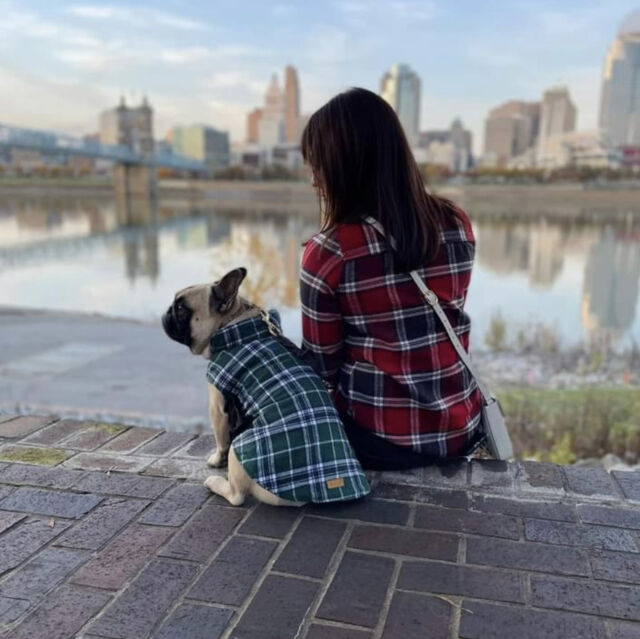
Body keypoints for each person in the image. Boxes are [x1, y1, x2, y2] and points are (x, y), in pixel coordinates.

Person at [299, 87, 483, 471]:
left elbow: (321, 367)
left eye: (317, 164)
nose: (313, 179)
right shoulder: (456, 223)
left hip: (381, 438)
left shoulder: (329, 253)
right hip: (460, 427)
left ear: (343, 165)